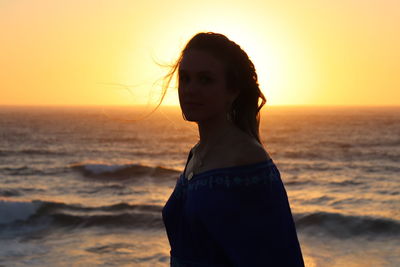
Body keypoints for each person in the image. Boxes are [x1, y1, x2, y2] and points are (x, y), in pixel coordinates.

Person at [161, 32, 304, 266]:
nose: (190, 89)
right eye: (185, 78)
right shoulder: (197, 154)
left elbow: (277, 254)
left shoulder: (245, 158)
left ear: (233, 90)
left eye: (205, 79)